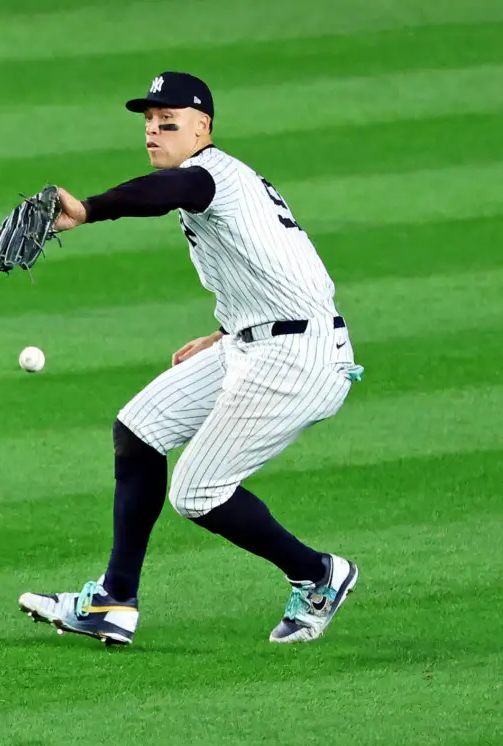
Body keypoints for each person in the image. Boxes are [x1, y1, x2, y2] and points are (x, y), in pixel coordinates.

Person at [18, 72, 365, 646]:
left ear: (202, 127)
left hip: (296, 359)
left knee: (197, 492)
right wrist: (226, 328)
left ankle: (318, 574)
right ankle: (113, 601)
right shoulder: (218, 180)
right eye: (149, 122)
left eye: (169, 121)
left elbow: (165, 195)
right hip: (255, 340)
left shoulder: (207, 177)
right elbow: (273, 262)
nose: (154, 131)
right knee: (139, 429)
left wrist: (88, 210)